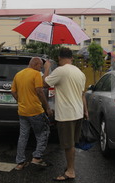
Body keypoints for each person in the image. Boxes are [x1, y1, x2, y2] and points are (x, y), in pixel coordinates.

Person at [43, 48, 88, 181]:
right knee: (71, 144)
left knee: (68, 145)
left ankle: (70, 171)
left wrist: (46, 68)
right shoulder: (80, 73)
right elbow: (82, 94)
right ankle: (70, 166)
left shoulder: (60, 71)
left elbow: (44, 83)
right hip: (78, 112)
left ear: (59, 58)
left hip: (66, 114)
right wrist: (86, 111)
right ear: (72, 58)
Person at [11, 57, 53, 170]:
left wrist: (20, 101)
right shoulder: (35, 74)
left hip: (22, 111)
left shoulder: (18, 74)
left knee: (23, 136)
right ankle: (37, 157)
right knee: (43, 132)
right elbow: (40, 90)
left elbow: (13, 91)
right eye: (40, 66)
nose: (40, 68)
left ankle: (20, 163)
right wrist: (47, 108)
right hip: (35, 111)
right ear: (35, 64)